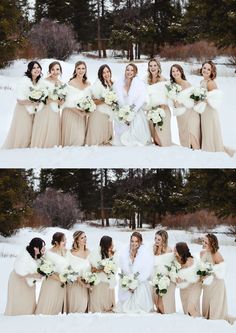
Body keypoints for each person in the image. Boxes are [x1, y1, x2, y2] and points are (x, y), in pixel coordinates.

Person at [2, 61, 45, 149]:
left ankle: (27, 148)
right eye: (34, 68)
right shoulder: (24, 81)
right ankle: (20, 149)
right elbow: (19, 100)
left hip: (33, 110)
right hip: (23, 109)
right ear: (29, 70)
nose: (37, 69)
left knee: (30, 130)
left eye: (38, 67)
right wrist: (33, 102)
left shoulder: (40, 81)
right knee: (23, 130)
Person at [200, 61, 235, 156]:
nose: (206, 70)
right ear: (201, 69)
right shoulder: (202, 81)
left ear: (212, 72)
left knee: (210, 130)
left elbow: (215, 99)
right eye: (204, 68)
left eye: (208, 69)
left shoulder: (211, 83)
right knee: (206, 130)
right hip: (204, 111)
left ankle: (210, 150)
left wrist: (202, 98)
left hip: (210, 111)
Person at [4, 238, 45, 315]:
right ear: (35, 248)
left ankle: (27, 315)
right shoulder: (24, 256)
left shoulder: (36, 255)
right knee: (19, 299)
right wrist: (35, 275)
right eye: (42, 246)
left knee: (28, 300)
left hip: (29, 281)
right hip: (18, 280)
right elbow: (20, 272)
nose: (43, 248)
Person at [200, 233, 235, 323]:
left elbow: (222, 270)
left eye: (206, 242)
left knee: (215, 310)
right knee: (206, 306)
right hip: (207, 284)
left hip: (216, 284)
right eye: (203, 241)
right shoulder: (202, 253)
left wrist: (211, 270)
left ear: (212, 244)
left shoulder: (216, 254)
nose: (203, 243)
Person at [113, 63, 151, 146]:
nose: (129, 72)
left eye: (132, 70)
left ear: (135, 72)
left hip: (135, 110)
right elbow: (116, 98)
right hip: (122, 111)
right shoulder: (118, 83)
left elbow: (141, 99)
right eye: (127, 69)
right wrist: (123, 111)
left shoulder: (139, 84)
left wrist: (132, 111)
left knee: (135, 136)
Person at [116, 232, 153, 313]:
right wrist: (127, 283)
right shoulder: (125, 253)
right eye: (132, 241)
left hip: (140, 281)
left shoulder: (145, 254)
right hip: (128, 280)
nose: (134, 243)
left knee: (141, 288)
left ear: (140, 242)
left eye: (136, 241)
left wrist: (135, 284)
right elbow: (123, 270)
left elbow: (145, 273)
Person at [31, 61, 64, 148]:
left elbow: (61, 102)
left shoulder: (61, 84)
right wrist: (48, 98)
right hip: (44, 109)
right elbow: (38, 96)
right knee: (42, 127)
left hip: (54, 111)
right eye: (52, 69)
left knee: (52, 128)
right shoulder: (44, 81)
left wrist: (60, 101)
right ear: (49, 71)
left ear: (60, 71)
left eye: (57, 69)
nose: (55, 72)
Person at [35, 232, 68, 315]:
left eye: (66, 240)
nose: (66, 242)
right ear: (56, 242)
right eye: (63, 240)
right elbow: (47, 271)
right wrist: (60, 279)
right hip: (51, 283)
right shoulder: (49, 253)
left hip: (61, 284)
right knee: (48, 306)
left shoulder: (65, 252)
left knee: (56, 308)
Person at [169, 64, 200, 149]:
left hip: (190, 113)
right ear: (171, 73)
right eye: (173, 71)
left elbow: (194, 99)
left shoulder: (186, 84)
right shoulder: (171, 86)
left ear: (181, 72)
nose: (175, 73)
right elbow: (172, 102)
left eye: (177, 71)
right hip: (180, 115)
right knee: (184, 134)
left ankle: (196, 150)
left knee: (192, 132)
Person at [61, 61, 91, 146]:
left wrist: (87, 110)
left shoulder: (88, 84)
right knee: (75, 140)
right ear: (75, 70)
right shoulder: (71, 83)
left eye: (83, 68)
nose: (81, 70)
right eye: (78, 68)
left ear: (85, 70)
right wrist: (79, 113)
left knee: (81, 140)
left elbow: (89, 100)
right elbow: (68, 101)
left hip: (82, 115)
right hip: (71, 113)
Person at [145, 59, 172, 146]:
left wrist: (159, 112)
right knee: (154, 139)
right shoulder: (146, 80)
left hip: (162, 110)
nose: (153, 68)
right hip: (151, 110)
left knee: (160, 139)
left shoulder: (163, 80)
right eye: (151, 66)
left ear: (158, 67)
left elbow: (165, 97)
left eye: (155, 65)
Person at [85, 64, 114, 145]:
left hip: (106, 113)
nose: (106, 74)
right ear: (100, 74)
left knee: (105, 141)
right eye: (103, 72)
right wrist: (105, 100)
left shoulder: (111, 83)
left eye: (107, 71)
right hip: (98, 113)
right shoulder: (98, 84)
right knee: (96, 141)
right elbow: (93, 101)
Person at [88, 235, 117, 312]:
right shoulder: (95, 253)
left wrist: (110, 269)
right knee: (98, 304)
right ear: (107, 244)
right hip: (99, 281)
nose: (113, 245)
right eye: (111, 243)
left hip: (108, 281)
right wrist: (103, 269)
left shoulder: (112, 253)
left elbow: (115, 267)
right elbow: (92, 269)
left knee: (107, 306)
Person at [174, 242, 201, 317]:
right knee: (185, 305)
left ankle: (197, 320)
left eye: (175, 250)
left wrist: (182, 279)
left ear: (181, 251)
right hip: (183, 288)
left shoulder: (190, 260)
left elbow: (192, 275)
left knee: (191, 307)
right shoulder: (178, 259)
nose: (174, 252)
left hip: (191, 287)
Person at [67, 231, 90, 313]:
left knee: (85, 308)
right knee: (77, 309)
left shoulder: (89, 252)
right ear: (76, 240)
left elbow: (91, 268)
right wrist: (79, 279)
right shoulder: (71, 253)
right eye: (82, 238)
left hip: (86, 286)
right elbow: (68, 270)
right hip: (75, 286)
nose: (85, 239)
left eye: (85, 237)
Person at [152, 230, 176, 314]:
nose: (156, 241)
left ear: (164, 240)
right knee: (157, 303)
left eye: (159, 239)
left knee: (162, 306)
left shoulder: (169, 250)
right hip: (155, 276)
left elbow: (171, 265)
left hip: (165, 278)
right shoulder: (153, 248)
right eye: (155, 238)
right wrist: (157, 250)